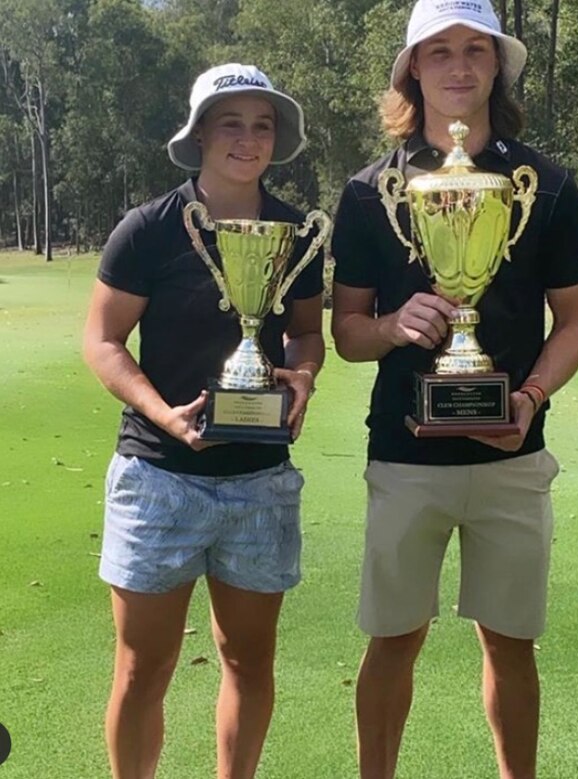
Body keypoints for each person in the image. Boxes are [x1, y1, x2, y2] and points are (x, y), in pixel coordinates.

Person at [330, 1, 578, 778]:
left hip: (513, 453)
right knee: (395, 637)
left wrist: (533, 396)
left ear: (496, 64)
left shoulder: (543, 184)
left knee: (510, 643)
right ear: (413, 66)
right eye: (438, 50)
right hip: (405, 454)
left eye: (473, 48)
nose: (457, 65)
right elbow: (347, 331)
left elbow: (573, 322)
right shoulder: (369, 190)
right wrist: (389, 325)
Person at [83, 63, 324, 779]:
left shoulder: (292, 232)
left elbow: (307, 332)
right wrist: (164, 413)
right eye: (231, 123)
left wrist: (303, 376)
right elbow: (102, 340)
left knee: (250, 661)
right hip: (157, 478)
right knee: (142, 667)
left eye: (262, 125)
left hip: (258, 482)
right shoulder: (150, 229)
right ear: (199, 135)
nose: (248, 139)